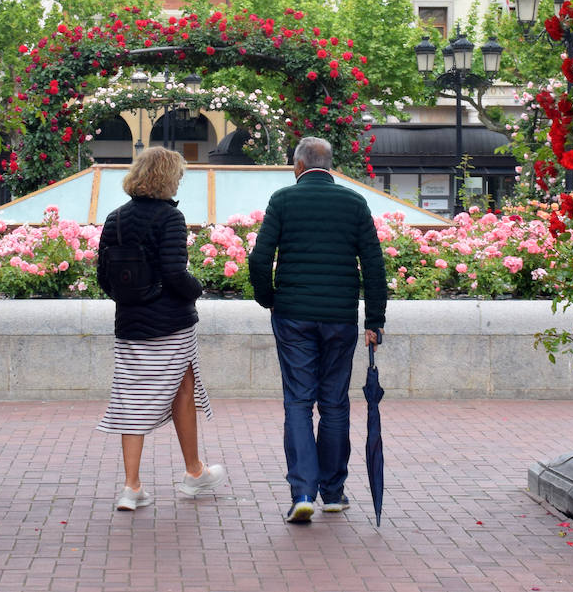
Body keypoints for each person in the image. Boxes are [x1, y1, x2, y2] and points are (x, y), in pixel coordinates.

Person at [250, 136, 387, 523]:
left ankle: (302, 493)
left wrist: (269, 298)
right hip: (341, 318)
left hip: (293, 315)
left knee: (297, 402)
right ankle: (334, 492)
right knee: (334, 403)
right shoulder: (354, 202)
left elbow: (260, 259)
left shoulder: (282, 200)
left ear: (297, 166)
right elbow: (374, 266)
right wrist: (374, 320)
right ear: (330, 166)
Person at [95, 147, 225, 510]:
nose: (180, 181)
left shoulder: (115, 218)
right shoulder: (171, 218)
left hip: (130, 323)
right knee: (183, 385)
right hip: (171, 321)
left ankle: (132, 487)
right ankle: (193, 473)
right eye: (178, 176)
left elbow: (104, 276)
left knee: (131, 396)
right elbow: (174, 272)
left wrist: (131, 299)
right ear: (166, 177)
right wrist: (197, 290)